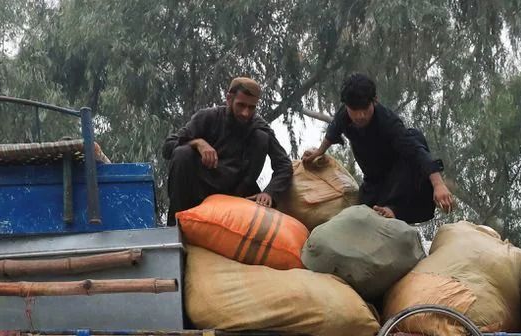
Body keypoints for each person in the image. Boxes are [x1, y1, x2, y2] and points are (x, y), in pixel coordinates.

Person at [301, 73, 452, 223]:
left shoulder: (388, 123)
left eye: (365, 109)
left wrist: (438, 184)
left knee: (415, 136)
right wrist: (319, 151)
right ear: (346, 106)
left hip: (401, 183)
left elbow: (417, 151)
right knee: (357, 218)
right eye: (354, 110)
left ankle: (393, 208)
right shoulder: (344, 114)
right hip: (373, 183)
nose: (360, 116)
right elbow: (333, 130)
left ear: (375, 101)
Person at [162, 77, 293, 223]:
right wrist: (197, 143)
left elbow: (284, 165)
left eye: (251, 108)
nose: (245, 113)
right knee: (182, 153)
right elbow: (168, 147)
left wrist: (270, 193)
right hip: (200, 190)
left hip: (238, 192)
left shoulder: (259, 127)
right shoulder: (208, 117)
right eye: (241, 105)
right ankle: (175, 224)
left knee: (262, 137)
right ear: (229, 99)